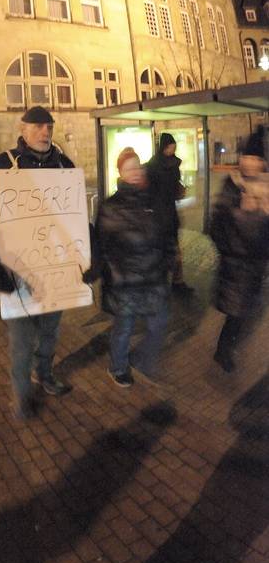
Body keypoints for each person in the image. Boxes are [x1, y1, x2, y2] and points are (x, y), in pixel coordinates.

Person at [0, 106, 73, 420]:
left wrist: (87, 255)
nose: (45, 133)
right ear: (24, 128)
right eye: (39, 126)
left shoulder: (63, 164)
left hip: (54, 272)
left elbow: (75, 219)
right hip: (18, 274)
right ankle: (22, 395)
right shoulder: (2, 165)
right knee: (21, 340)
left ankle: (44, 373)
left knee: (50, 332)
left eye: (49, 127)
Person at [90, 148, 173, 388]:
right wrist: (103, 270)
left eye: (138, 166)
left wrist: (167, 258)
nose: (135, 172)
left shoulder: (152, 200)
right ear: (120, 173)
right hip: (125, 281)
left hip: (153, 276)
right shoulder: (111, 206)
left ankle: (140, 361)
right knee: (124, 328)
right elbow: (102, 245)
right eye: (129, 168)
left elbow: (165, 234)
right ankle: (117, 366)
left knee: (158, 325)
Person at [209, 128, 269, 372]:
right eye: (248, 157)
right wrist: (245, 213)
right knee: (236, 314)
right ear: (241, 158)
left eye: (257, 159)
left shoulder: (266, 188)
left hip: (256, 267)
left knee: (242, 314)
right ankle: (223, 351)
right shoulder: (232, 186)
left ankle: (224, 349)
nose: (251, 163)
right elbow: (216, 228)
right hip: (235, 268)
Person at [146, 132, 193, 295]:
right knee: (161, 250)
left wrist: (180, 190)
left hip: (170, 213)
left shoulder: (173, 163)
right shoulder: (152, 166)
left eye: (174, 147)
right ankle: (160, 282)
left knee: (175, 250)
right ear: (164, 147)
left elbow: (174, 185)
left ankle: (178, 282)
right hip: (158, 215)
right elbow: (150, 190)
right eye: (170, 147)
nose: (172, 150)